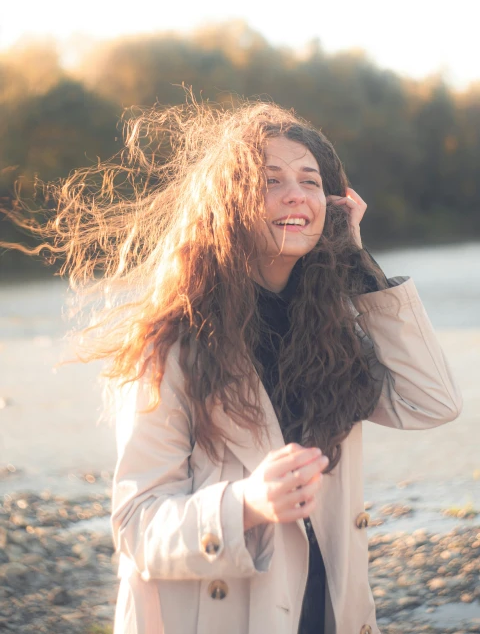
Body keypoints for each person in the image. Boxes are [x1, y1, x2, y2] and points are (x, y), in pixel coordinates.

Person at [5, 100, 462, 634]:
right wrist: (244, 504)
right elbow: (136, 527)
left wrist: (355, 259)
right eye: (271, 180)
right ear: (227, 204)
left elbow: (432, 402)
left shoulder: (332, 333)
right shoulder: (174, 340)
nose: (296, 194)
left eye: (310, 181)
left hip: (327, 609)